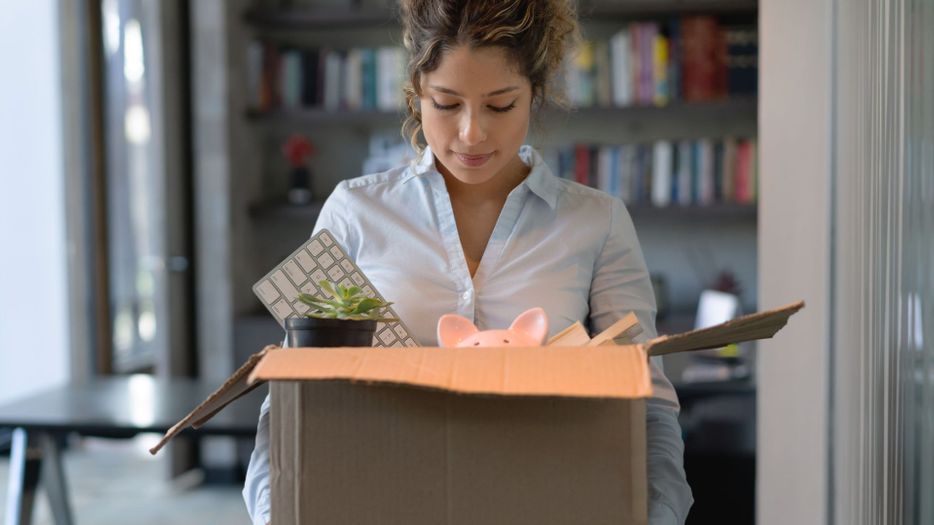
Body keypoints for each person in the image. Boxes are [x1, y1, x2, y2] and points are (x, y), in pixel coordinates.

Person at [244, 1, 693, 523]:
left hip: (549, 505)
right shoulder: (354, 211)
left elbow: (650, 406)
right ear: (416, 96)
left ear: (534, 97)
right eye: (447, 103)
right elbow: (291, 400)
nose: (472, 133)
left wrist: (658, 514)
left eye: (501, 106)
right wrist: (277, 511)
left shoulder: (598, 221)